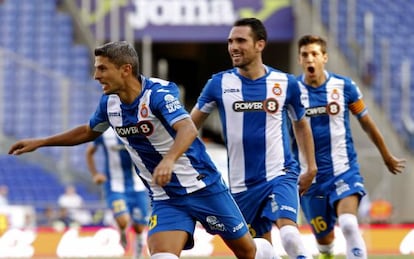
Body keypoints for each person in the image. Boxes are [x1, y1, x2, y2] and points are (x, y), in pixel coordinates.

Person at [8, 41, 277, 259]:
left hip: (203, 188)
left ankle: (269, 253)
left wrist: (169, 161)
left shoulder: (158, 94)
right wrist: (41, 142)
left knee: (248, 253)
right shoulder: (109, 104)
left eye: (102, 69)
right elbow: (89, 131)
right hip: (166, 197)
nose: (96, 76)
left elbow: (188, 129)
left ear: (125, 69)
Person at [191, 17, 317, 259]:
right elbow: (188, 127)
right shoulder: (218, 84)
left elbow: (301, 125)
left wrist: (310, 167)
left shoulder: (285, 83)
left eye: (241, 40)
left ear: (260, 44)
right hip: (240, 185)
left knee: (290, 236)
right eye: (230, 41)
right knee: (259, 251)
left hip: (280, 173)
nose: (233, 47)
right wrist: (188, 160)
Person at [294, 34, 406, 259]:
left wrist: (386, 156)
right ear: (299, 59)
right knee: (324, 242)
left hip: (343, 171)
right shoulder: (291, 91)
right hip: (309, 179)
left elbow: (367, 124)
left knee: (348, 224)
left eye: (314, 54)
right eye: (305, 55)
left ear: (324, 57)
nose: (310, 59)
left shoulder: (344, 87)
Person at [85, 127, 149, 259]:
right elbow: (90, 152)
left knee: (139, 227)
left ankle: (137, 253)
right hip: (115, 186)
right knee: (123, 219)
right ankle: (122, 230)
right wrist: (95, 174)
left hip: (138, 186)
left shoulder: (137, 128)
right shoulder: (104, 132)